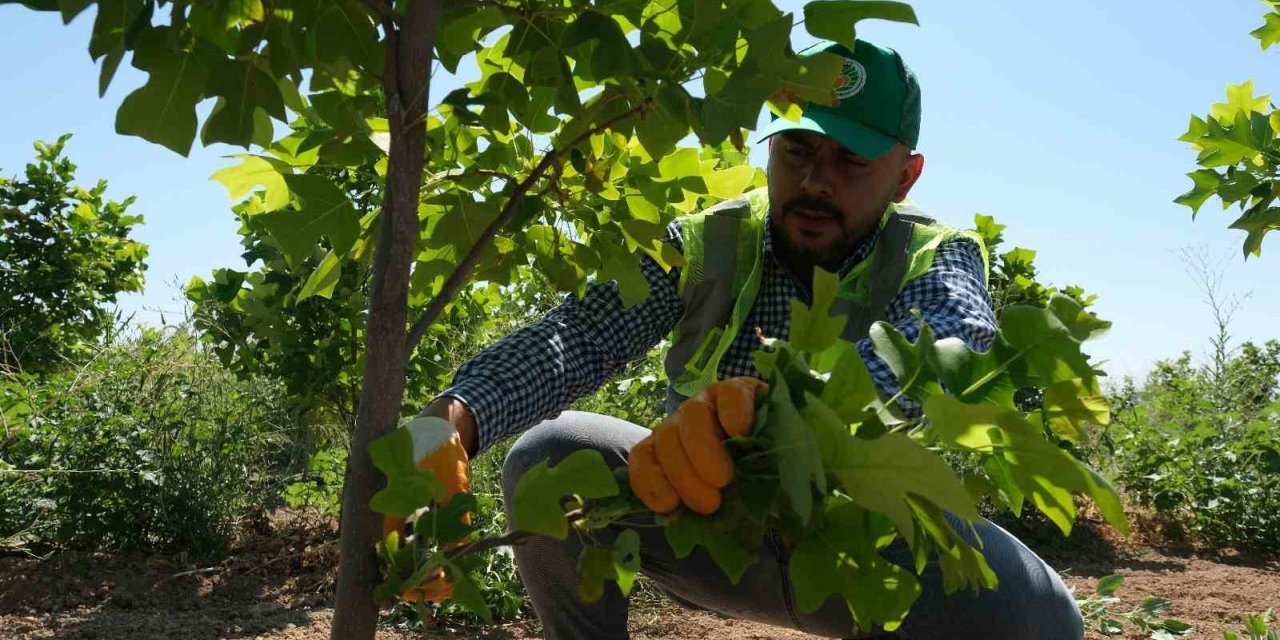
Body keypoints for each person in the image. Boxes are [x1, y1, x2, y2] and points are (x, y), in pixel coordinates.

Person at [400, 40, 1084, 639]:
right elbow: (575, 336)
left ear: (907, 175)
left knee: (1043, 618)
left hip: (867, 554)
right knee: (549, 456)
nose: (815, 181)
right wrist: (456, 419)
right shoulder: (708, 242)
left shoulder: (938, 254)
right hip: (705, 531)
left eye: (851, 160)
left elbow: (950, 340)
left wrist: (782, 412)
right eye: (797, 149)